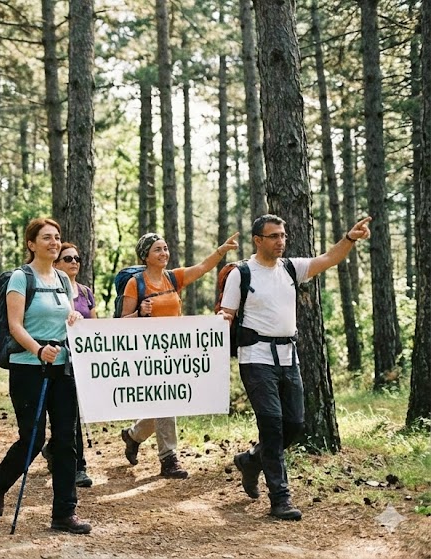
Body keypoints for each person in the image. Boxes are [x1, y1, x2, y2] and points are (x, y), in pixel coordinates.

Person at [220, 214, 372, 521]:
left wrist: (350, 238)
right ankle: (281, 499)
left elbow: (329, 258)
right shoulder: (242, 273)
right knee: (273, 427)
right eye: (274, 236)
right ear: (258, 240)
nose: (280, 241)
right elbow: (226, 314)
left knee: (295, 424)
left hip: (289, 358)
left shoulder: (291, 268)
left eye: (283, 235)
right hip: (255, 358)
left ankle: (250, 460)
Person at [0, 218, 89, 534]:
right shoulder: (20, 278)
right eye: (47, 238)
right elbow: (16, 325)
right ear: (31, 244)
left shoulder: (62, 278)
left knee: (66, 440)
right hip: (28, 368)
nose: (55, 243)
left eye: (57, 238)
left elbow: (67, 315)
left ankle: (64, 514)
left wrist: (75, 316)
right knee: (33, 438)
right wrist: (38, 349)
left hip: (63, 367)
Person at [118, 231, 239, 477]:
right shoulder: (136, 284)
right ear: (145, 256)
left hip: (174, 353)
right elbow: (122, 322)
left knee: (164, 402)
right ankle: (168, 458)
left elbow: (203, 267)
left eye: (165, 248)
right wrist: (140, 311)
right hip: (147, 353)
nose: (164, 253)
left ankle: (133, 436)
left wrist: (222, 250)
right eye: (158, 250)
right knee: (165, 401)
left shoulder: (173, 278)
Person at [39, 242, 95, 487]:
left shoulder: (85, 292)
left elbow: (93, 325)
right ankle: (78, 466)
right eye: (68, 258)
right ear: (57, 264)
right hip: (58, 359)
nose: (74, 262)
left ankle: (54, 449)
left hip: (80, 360)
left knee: (72, 414)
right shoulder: (54, 289)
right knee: (69, 414)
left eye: (77, 258)